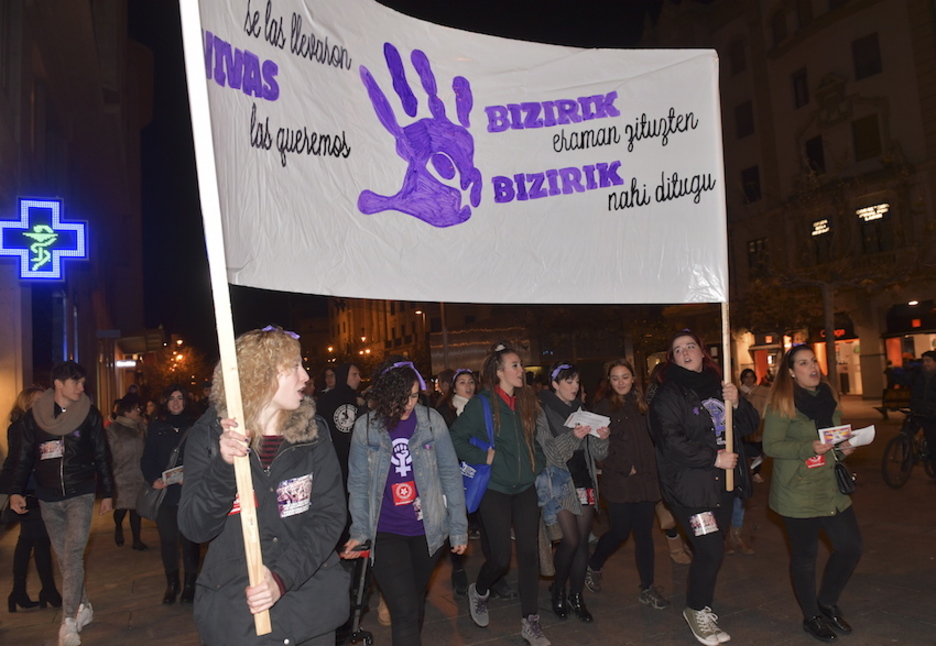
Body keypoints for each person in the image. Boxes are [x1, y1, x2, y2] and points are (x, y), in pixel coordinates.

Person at [178, 326, 349, 645]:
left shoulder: (314, 434)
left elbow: (329, 517)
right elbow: (194, 527)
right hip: (237, 616)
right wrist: (223, 468)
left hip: (308, 611)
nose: (305, 376)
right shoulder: (209, 438)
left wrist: (281, 578)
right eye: (295, 366)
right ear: (263, 374)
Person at [341, 358, 467, 646]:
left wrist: (458, 527)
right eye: (403, 396)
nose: (410, 403)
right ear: (387, 394)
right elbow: (358, 483)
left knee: (412, 604)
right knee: (405, 610)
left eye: (414, 395)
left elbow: (450, 473)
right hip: (385, 531)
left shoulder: (431, 422)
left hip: (427, 530)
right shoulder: (367, 427)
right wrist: (360, 531)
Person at [649, 330, 758, 646]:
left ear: (702, 352)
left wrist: (738, 403)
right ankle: (696, 609)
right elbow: (670, 442)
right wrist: (714, 457)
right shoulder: (668, 394)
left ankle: (703, 601)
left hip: (723, 485)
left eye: (690, 346)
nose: (685, 352)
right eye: (678, 349)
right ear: (672, 358)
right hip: (690, 488)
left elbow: (750, 427)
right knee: (709, 548)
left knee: (713, 549)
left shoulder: (720, 386)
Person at [7, 361, 114, 646]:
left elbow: (102, 453)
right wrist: (15, 490)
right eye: (76, 382)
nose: (81, 387)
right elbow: (23, 455)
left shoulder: (89, 414)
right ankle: (85, 607)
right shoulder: (35, 417)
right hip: (48, 496)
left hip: (80, 492)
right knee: (63, 557)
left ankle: (68, 622)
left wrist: (108, 492)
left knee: (73, 554)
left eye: (82, 382)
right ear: (58, 384)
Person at [451, 342, 551, 646]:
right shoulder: (481, 404)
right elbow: (455, 439)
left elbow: (534, 440)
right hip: (494, 489)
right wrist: (484, 458)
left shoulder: (526, 401)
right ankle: (479, 590)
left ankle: (530, 621)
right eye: (515, 365)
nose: (521, 370)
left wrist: (537, 463)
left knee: (530, 554)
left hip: (524, 488)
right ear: (499, 371)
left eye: (520, 365)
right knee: (501, 558)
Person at [763, 345, 862, 643]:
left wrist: (844, 448)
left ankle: (827, 602)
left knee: (851, 546)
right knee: (805, 558)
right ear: (791, 372)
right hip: (797, 491)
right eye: (803, 363)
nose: (812, 367)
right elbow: (771, 446)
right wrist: (808, 447)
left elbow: (836, 437)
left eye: (813, 361)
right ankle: (812, 616)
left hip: (830, 487)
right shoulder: (783, 402)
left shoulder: (829, 397)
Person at [587, 359, 670, 610]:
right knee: (620, 533)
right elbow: (598, 452)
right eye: (615, 378)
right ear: (609, 382)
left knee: (644, 535)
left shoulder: (646, 406)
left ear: (633, 378)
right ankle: (594, 564)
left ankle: (648, 587)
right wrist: (625, 466)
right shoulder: (602, 409)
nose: (621, 382)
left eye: (625, 376)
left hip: (645, 481)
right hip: (619, 482)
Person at [537, 361, 609, 623]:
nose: (575, 387)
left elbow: (600, 454)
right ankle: (558, 588)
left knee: (582, 543)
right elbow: (550, 454)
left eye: (577, 382)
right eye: (569, 382)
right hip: (560, 481)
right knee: (570, 539)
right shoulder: (542, 412)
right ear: (554, 384)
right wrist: (574, 437)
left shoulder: (582, 410)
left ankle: (576, 596)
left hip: (584, 478)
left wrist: (602, 437)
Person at [0, 386, 61, 612]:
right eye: (35, 401)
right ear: (25, 403)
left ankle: (19, 592)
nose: (40, 404)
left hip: (36, 487)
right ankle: (47, 590)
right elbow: (20, 460)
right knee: (41, 541)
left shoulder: (40, 423)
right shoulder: (21, 426)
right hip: (27, 489)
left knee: (28, 541)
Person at [140, 384, 200, 604]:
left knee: (190, 540)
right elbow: (147, 458)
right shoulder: (156, 427)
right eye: (171, 398)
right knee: (168, 540)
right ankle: (172, 584)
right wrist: (153, 479)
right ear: (164, 402)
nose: (176, 402)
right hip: (166, 494)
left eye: (180, 398)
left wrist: (192, 477)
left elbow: (204, 457)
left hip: (188, 493)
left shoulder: (195, 425)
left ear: (186, 401)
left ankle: (190, 584)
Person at [435, 368, 477, 598]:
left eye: (471, 382)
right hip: (455, 471)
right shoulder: (445, 411)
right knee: (457, 519)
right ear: (454, 386)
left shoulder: (481, 408)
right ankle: (458, 566)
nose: (468, 386)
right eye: (463, 382)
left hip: (479, 471)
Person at [106, 396, 148, 551]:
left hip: (138, 474)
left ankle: (137, 540)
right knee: (121, 508)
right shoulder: (113, 429)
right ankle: (118, 526)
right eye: (135, 408)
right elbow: (108, 453)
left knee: (136, 509)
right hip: (121, 475)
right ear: (126, 410)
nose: (138, 411)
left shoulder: (141, 427)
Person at [910, 349, 936, 474]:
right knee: (907, 430)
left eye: (928, 361)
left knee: (933, 442)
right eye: (924, 361)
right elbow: (915, 393)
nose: (925, 364)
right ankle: (909, 458)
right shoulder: (919, 376)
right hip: (921, 410)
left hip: (933, 413)